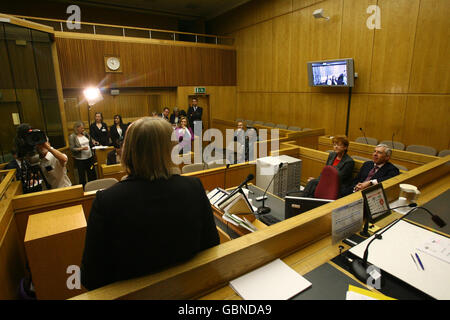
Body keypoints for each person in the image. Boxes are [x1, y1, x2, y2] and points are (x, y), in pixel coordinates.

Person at [81, 117, 219, 290]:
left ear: (128, 151)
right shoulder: (194, 187)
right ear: (170, 150)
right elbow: (212, 245)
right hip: (188, 289)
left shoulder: (107, 201)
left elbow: (91, 277)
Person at [69, 121, 97, 187]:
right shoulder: (72, 136)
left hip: (89, 157)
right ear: (77, 128)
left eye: (83, 128)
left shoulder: (85, 133)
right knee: (82, 175)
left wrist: (94, 141)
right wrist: (82, 148)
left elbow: (90, 139)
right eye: (81, 128)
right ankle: (84, 188)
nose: (83, 129)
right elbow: (72, 149)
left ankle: (92, 186)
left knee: (91, 172)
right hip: (80, 159)